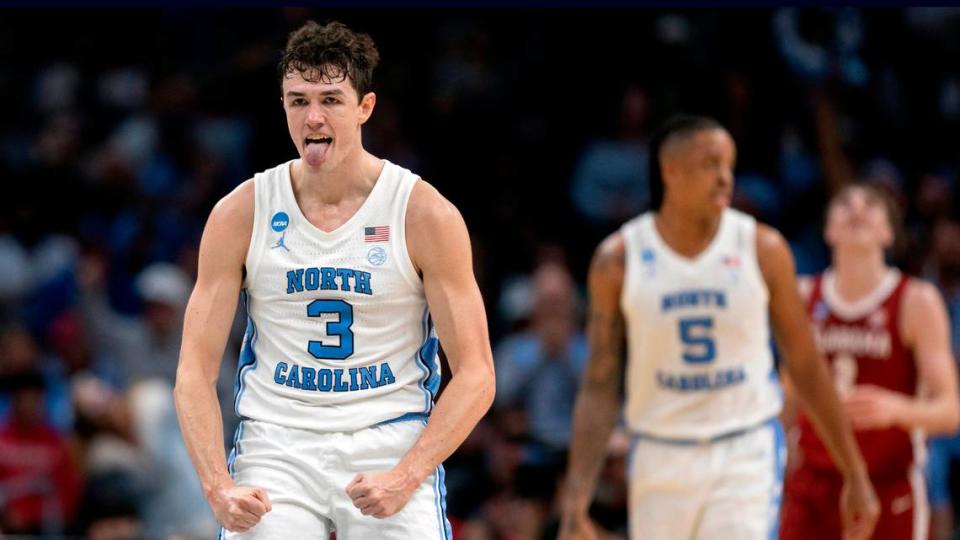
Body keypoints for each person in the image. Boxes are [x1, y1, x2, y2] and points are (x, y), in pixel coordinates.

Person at [173, 21, 495, 539]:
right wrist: (217, 486)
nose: (313, 117)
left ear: (366, 107)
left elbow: (477, 373)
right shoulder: (241, 212)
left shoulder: (423, 214)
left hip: (388, 438)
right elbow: (193, 369)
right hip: (277, 441)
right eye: (298, 101)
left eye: (331, 99)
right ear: (282, 105)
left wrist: (407, 475)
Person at [558, 115, 880, 540]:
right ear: (669, 171)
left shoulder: (763, 248)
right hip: (658, 450)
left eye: (729, 165)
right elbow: (599, 384)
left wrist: (854, 471)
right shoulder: (618, 260)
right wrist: (575, 499)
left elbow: (805, 364)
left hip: (744, 449)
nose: (725, 178)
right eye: (711, 164)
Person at [780, 184, 960, 540]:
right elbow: (788, 396)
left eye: (871, 204)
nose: (857, 208)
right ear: (829, 230)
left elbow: (951, 412)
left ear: (888, 233)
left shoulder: (916, 301)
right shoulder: (802, 296)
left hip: (889, 484)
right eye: (844, 203)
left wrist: (896, 410)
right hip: (813, 484)